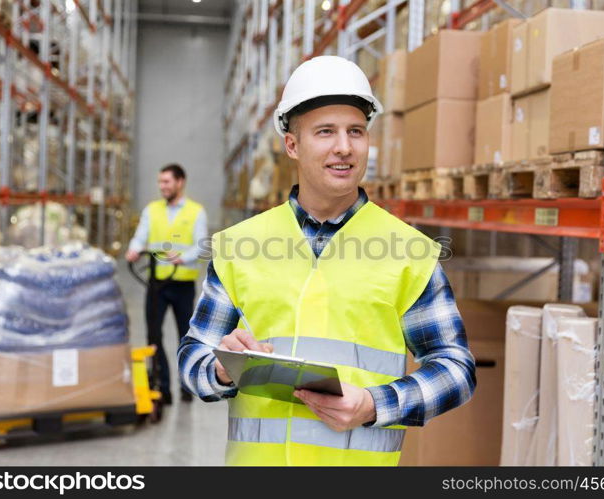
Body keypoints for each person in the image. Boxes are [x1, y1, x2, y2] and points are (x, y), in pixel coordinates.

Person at [177, 56, 476, 466]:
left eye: (356, 131)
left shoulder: (411, 253)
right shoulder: (238, 246)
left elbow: (455, 368)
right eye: (325, 132)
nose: (344, 146)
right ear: (293, 145)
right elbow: (193, 357)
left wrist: (376, 404)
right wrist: (222, 368)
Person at [126, 163, 207, 405]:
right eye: (160, 182)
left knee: (185, 337)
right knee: (154, 335)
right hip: (156, 284)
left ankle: (186, 386)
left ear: (180, 182)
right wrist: (133, 249)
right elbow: (141, 235)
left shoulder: (196, 212)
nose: (162, 187)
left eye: (167, 182)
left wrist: (184, 257)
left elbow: (201, 245)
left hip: (182, 284)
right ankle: (163, 387)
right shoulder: (152, 210)